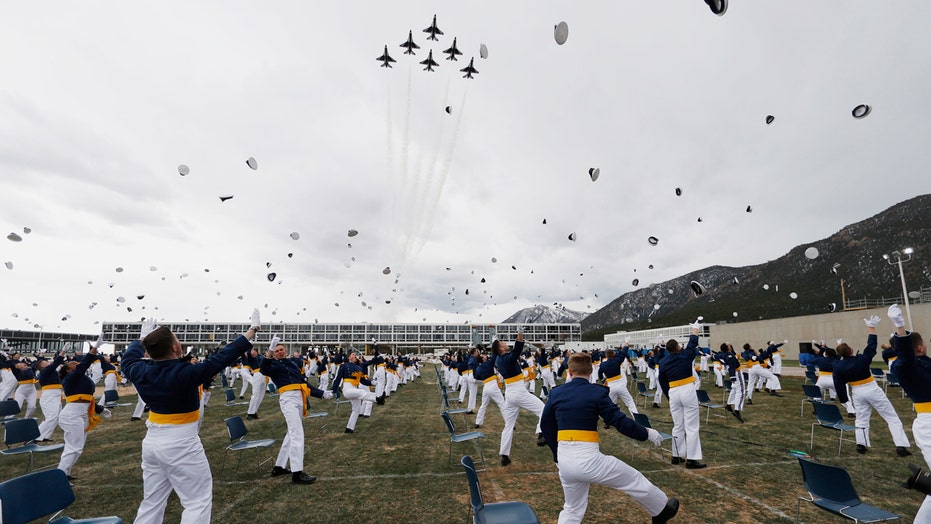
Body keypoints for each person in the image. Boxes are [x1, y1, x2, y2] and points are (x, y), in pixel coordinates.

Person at [123, 310, 260, 524]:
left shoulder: (138, 369)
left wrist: (141, 340)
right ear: (175, 348)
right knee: (197, 501)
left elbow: (129, 358)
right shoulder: (184, 372)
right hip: (181, 441)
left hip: (152, 441)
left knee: (152, 502)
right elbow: (222, 357)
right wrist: (251, 331)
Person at [541, 352, 679, 524]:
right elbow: (619, 422)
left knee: (572, 508)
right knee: (633, 479)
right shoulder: (596, 393)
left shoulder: (557, 393)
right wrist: (647, 433)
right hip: (588, 459)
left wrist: (557, 455)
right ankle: (662, 510)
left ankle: (660, 510)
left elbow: (546, 426)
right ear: (591, 371)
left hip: (565, 460)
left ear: (569, 371)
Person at [834, 314, 912, 456]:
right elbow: (871, 347)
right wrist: (872, 328)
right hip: (871, 388)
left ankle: (861, 444)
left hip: (857, 392)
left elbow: (838, 384)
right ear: (851, 350)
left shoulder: (838, 366)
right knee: (891, 417)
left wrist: (845, 400)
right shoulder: (862, 359)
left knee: (862, 419)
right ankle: (900, 445)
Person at [261, 334, 332, 484]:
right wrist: (269, 349)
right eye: (276, 350)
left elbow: (304, 383)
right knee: (297, 433)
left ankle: (279, 466)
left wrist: (322, 394)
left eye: (281, 349)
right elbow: (263, 369)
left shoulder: (293, 363)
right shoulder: (272, 364)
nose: (279, 352)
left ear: (285, 350)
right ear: (273, 353)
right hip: (287, 398)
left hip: (299, 397)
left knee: (291, 433)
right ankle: (297, 472)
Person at [888, 304, 931, 520]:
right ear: (920, 348)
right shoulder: (904, 367)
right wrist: (900, 328)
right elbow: (904, 357)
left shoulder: (925, 363)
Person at [658, 320, 705, 469]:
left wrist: (668, 395)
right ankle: (692, 458)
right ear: (678, 347)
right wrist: (695, 329)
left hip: (673, 392)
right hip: (686, 389)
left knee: (678, 425)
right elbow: (693, 342)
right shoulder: (685, 355)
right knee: (691, 425)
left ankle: (676, 455)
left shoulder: (664, 361)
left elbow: (662, 380)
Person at [57, 344, 109, 480]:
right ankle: (59, 477)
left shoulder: (80, 378)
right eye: (73, 363)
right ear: (68, 371)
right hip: (72, 415)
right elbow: (83, 366)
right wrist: (93, 350)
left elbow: (87, 399)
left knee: (75, 447)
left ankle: (65, 473)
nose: (77, 363)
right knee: (74, 447)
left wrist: (100, 409)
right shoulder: (70, 378)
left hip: (82, 413)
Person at [495, 330, 546, 466]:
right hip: (518, 392)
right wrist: (520, 332)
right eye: (503, 343)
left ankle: (504, 455)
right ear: (500, 349)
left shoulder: (498, 359)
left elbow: (515, 349)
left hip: (510, 394)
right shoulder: (507, 358)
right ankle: (541, 433)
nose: (505, 343)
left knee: (509, 426)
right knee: (543, 409)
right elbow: (518, 347)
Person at [332, 350, 375, 433]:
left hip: (354, 389)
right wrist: (333, 390)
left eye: (355, 355)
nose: (355, 356)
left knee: (356, 409)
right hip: (348, 389)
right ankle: (377, 398)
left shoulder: (358, 368)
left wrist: (372, 382)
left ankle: (349, 428)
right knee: (362, 393)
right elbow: (338, 379)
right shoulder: (344, 366)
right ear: (349, 357)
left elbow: (363, 381)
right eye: (353, 354)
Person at [36, 350, 67, 441]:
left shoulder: (50, 371)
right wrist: (62, 353)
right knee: (52, 417)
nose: (47, 361)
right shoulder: (44, 371)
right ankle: (35, 435)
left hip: (55, 394)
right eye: (45, 362)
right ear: (41, 366)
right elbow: (55, 363)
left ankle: (45, 436)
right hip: (49, 396)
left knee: (56, 417)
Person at [598, 348, 639, 416]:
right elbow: (623, 353)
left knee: (611, 405)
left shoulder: (603, 364)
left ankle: (608, 421)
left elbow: (600, 375)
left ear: (606, 355)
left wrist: (603, 381)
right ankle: (637, 418)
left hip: (610, 386)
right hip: (620, 384)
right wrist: (626, 344)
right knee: (630, 403)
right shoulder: (617, 361)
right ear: (614, 354)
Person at [473, 350, 504, 429]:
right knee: (502, 404)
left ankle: (478, 422)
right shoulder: (489, 363)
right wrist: (494, 343)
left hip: (486, 386)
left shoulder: (478, 368)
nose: (485, 356)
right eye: (483, 356)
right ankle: (510, 423)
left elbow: (476, 377)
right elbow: (495, 354)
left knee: (483, 405)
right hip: (493, 386)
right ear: (483, 359)